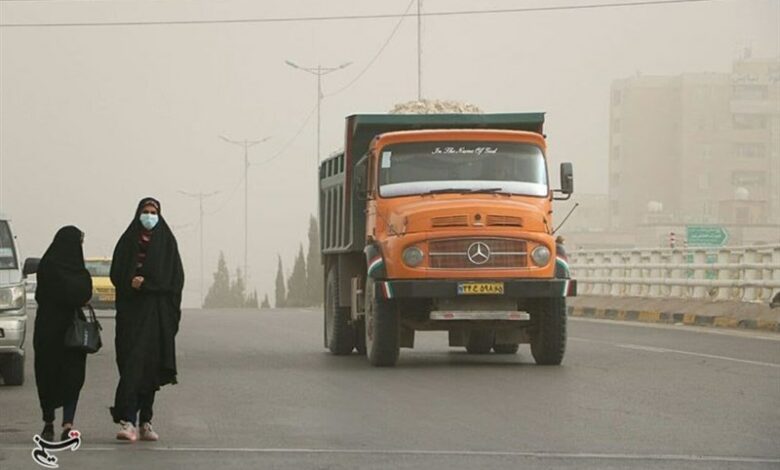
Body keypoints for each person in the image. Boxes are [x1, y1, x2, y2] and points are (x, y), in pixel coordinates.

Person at [109, 197, 184, 442]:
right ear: (138, 213)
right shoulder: (128, 241)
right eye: (145, 211)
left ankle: (146, 422)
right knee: (131, 367)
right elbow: (116, 273)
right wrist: (131, 280)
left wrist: (148, 284)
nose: (149, 216)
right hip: (132, 314)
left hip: (157, 317)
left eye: (153, 212)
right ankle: (128, 420)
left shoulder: (167, 243)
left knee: (150, 370)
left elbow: (174, 279)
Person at [33, 226, 93, 442]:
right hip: (72, 331)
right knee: (72, 376)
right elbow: (84, 296)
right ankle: (68, 423)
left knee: (47, 375)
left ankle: (48, 422)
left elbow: (42, 295)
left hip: (47, 329)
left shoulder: (46, 266)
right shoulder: (80, 272)